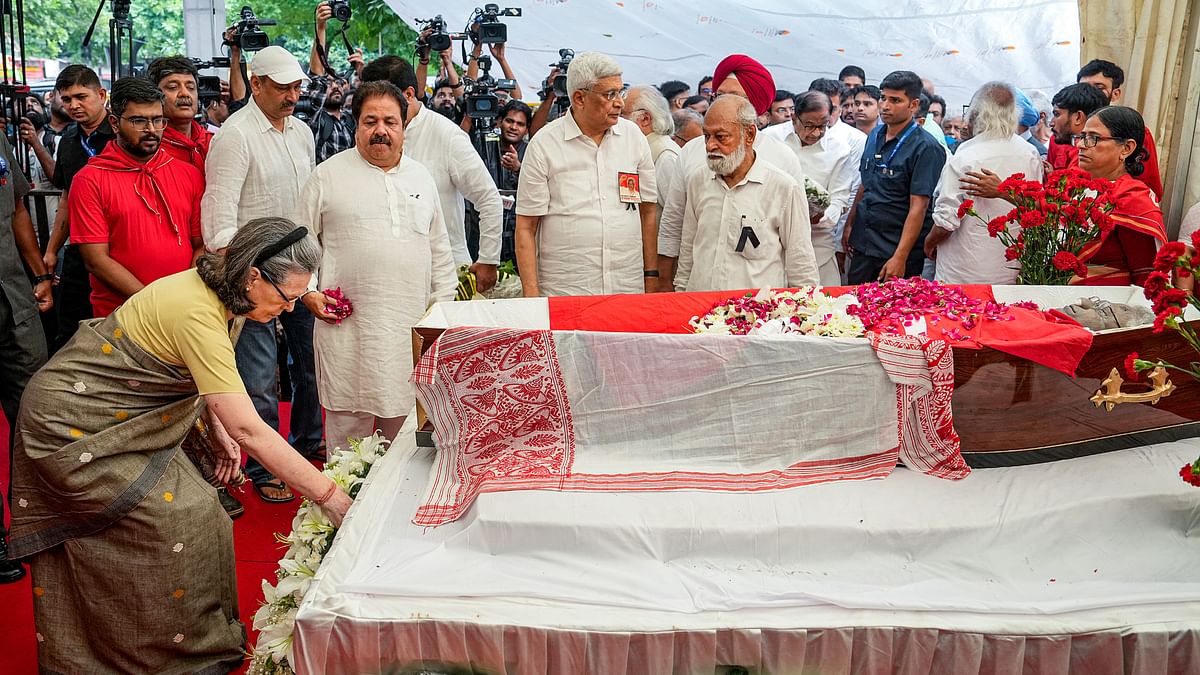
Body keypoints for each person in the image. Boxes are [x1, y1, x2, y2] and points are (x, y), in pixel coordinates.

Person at [8, 218, 352, 671]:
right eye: (287, 297)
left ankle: (193, 642)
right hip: (73, 427)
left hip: (128, 423)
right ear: (253, 275)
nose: (290, 310)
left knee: (205, 510)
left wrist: (220, 429)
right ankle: (143, 653)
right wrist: (329, 496)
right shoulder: (197, 309)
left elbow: (206, 378)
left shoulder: (226, 293)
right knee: (172, 519)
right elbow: (250, 426)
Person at [296, 81, 456, 447]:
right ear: (356, 126)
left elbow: (440, 249)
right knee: (346, 438)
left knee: (403, 439)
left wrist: (443, 310)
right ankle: (342, 504)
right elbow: (299, 247)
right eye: (370, 121)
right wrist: (308, 293)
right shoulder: (327, 175)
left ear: (404, 127)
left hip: (409, 331)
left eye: (390, 121)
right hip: (349, 333)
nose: (380, 131)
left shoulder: (421, 177)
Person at [202, 45, 322, 501]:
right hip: (251, 278)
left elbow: (305, 212)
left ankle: (311, 442)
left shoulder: (303, 132)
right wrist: (256, 270)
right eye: (283, 87)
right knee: (258, 376)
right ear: (255, 84)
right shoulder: (234, 135)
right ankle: (263, 465)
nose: (293, 95)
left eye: (297, 87)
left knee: (311, 364)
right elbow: (218, 224)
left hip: (299, 274)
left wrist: (307, 279)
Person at [515, 51, 658, 296]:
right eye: (609, 94)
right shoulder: (545, 144)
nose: (620, 103)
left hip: (627, 287)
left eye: (620, 92)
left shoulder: (633, 137)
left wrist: (652, 275)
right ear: (579, 98)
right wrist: (531, 294)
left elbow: (648, 211)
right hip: (567, 290)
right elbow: (526, 226)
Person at [658, 54, 805, 288]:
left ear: (753, 108)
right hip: (701, 292)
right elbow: (675, 225)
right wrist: (666, 284)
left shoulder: (783, 159)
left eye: (733, 97)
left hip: (757, 301)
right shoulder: (692, 155)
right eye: (719, 95)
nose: (711, 145)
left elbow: (799, 251)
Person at [360, 55, 504, 292]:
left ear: (407, 94)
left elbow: (488, 199)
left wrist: (488, 259)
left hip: (444, 273)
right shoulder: (369, 136)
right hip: (386, 274)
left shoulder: (446, 135)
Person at [68, 77, 204, 318]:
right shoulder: (89, 180)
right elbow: (96, 261)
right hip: (122, 315)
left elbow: (200, 245)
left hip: (183, 310)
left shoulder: (189, 174)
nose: (151, 130)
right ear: (114, 123)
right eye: (139, 121)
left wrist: (185, 296)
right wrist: (154, 304)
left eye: (158, 120)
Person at [677, 95, 817, 292]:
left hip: (756, 315)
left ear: (749, 135)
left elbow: (801, 263)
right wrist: (682, 293)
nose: (710, 146)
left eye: (721, 137)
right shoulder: (699, 181)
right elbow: (688, 249)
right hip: (701, 310)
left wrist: (804, 310)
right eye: (706, 136)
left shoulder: (782, 187)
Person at [0, 131, 53, 584]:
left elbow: (18, 208)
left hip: (14, 298)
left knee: (33, 411)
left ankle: (33, 522)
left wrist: (41, 273)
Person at [925, 82, 1043, 284]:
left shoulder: (967, 156)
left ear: (976, 114)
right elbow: (1035, 206)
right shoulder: (1029, 153)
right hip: (1011, 271)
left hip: (963, 274)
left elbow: (946, 222)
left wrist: (928, 243)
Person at [843, 70, 947, 283]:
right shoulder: (875, 135)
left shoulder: (927, 147)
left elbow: (919, 206)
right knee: (854, 307)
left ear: (913, 105)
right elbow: (866, 182)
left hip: (895, 248)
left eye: (895, 100)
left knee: (893, 313)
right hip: (864, 242)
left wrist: (900, 256)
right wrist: (850, 224)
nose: (885, 105)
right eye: (883, 98)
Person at [46, 66, 112, 352]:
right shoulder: (69, 141)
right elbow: (66, 197)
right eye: (67, 99)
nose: (73, 105)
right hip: (79, 249)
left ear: (101, 95)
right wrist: (51, 250)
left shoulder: (123, 133)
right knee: (70, 332)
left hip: (118, 246)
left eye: (81, 97)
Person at [1073, 106, 1166, 285]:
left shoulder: (1134, 200)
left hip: (1107, 304)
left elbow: (1146, 274)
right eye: (1082, 136)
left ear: (1127, 148)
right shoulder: (1083, 191)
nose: (1081, 145)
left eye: (1094, 138)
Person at [783, 91, 857, 285]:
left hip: (818, 245)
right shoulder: (774, 139)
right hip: (776, 244)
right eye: (809, 126)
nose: (816, 133)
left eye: (822, 126)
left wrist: (821, 217)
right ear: (794, 119)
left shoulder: (839, 150)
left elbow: (840, 199)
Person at [1075, 59, 1163, 198]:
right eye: (1084, 87)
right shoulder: (1064, 129)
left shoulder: (1133, 131)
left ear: (1115, 93)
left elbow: (1149, 186)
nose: (1090, 93)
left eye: (1099, 87)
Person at [624, 85, 681, 234]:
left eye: (622, 115)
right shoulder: (642, 149)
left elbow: (677, 218)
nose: (616, 121)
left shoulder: (666, 156)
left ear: (645, 119)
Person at [146, 56, 213, 174]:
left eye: (191, 87)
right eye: (173, 87)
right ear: (154, 95)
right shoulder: (148, 148)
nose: (184, 93)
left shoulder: (213, 142)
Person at [496, 99, 532, 263]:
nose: (513, 127)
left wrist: (519, 168)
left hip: (520, 230)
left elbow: (540, 187)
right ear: (499, 122)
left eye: (520, 124)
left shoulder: (533, 152)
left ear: (526, 130)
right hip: (488, 227)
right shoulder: (485, 145)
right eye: (509, 121)